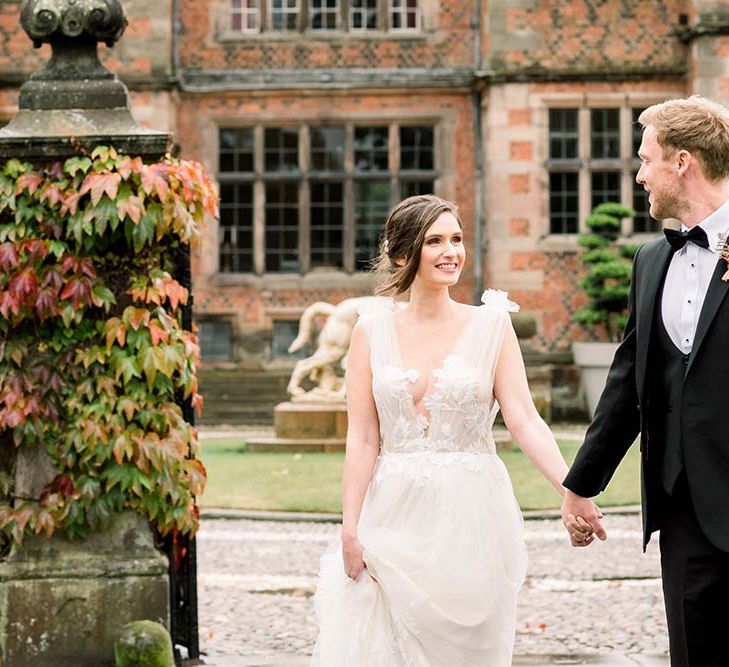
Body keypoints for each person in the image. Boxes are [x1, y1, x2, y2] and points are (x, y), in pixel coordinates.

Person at [311, 194, 593, 666]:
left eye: (457, 239)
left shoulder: (491, 326)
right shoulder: (370, 333)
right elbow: (361, 437)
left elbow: (524, 419)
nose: (451, 252)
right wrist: (350, 528)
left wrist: (573, 488)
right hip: (391, 517)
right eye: (435, 241)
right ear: (403, 253)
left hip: (472, 516)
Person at [561, 96, 729, 667]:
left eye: (646, 159)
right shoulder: (650, 260)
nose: (638, 175)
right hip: (683, 500)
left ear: (683, 161)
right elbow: (630, 379)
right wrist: (581, 482)